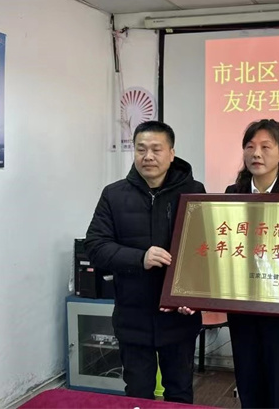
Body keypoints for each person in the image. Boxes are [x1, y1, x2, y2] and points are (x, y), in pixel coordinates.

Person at [84, 120, 205, 403]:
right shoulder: (114, 195)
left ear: (171, 153)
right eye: (141, 149)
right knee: (137, 394)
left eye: (156, 149)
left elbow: (205, 250)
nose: (148, 156)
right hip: (133, 316)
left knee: (180, 392)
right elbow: (96, 246)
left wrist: (196, 296)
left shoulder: (194, 192)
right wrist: (140, 258)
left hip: (179, 318)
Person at [225, 119, 279, 409]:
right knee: (249, 382)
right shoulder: (232, 193)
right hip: (244, 306)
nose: (256, 154)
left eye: (265, 147)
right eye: (250, 147)